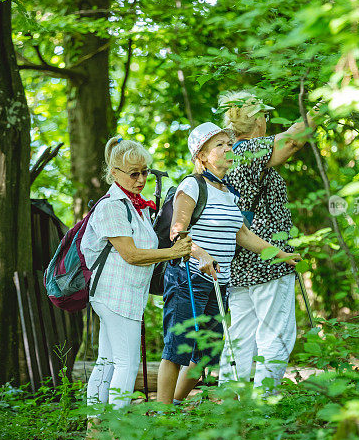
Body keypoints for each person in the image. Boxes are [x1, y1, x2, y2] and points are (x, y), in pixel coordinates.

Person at [156, 122, 301, 405]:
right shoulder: (192, 185)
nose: (227, 148)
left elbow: (243, 234)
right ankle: (160, 416)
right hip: (189, 278)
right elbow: (178, 232)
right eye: (219, 145)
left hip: (219, 283)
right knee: (178, 348)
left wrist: (280, 254)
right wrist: (201, 254)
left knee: (206, 354)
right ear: (202, 156)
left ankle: (172, 405)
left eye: (228, 143)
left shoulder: (229, 190)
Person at [81, 136, 192, 415]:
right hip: (114, 296)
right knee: (126, 364)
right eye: (134, 173)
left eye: (145, 171)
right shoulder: (111, 206)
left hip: (126, 295)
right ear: (115, 173)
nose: (141, 179)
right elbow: (130, 254)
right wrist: (173, 252)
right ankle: (116, 433)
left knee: (107, 361)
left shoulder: (135, 207)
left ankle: (95, 428)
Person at [217, 91, 310, 390]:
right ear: (257, 120)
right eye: (265, 116)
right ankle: (264, 405)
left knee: (241, 334)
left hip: (240, 260)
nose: (267, 122)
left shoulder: (229, 155)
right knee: (276, 333)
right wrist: (324, 106)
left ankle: (230, 404)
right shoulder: (249, 150)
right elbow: (294, 139)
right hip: (266, 258)